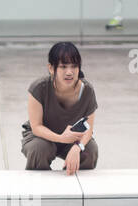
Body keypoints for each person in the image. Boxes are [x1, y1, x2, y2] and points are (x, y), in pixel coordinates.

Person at [22, 41, 99, 175]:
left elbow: (89, 129)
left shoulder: (87, 90)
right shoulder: (39, 88)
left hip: (72, 138)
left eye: (74, 66)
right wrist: (61, 137)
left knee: (90, 150)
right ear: (51, 68)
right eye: (63, 67)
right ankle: (41, 188)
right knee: (39, 149)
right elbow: (36, 127)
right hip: (41, 137)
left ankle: (73, 186)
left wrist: (77, 147)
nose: (69, 72)